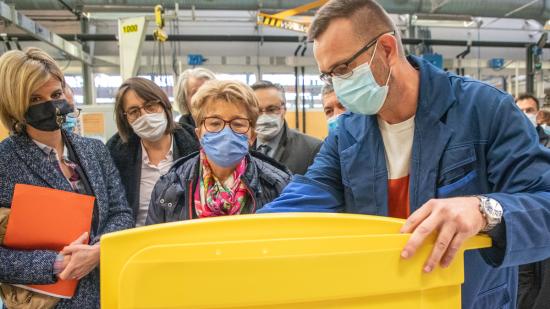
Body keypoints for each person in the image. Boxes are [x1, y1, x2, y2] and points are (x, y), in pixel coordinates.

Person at [257, 1, 550, 308]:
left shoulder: (483, 109)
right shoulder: (347, 134)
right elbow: (301, 201)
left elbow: (543, 202)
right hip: (385, 298)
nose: (339, 85)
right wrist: (237, 238)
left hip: (467, 299)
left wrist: (483, 210)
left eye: (343, 69)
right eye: (329, 75)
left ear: (386, 49)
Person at [0, 48, 133, 308]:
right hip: (47, 298)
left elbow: (120, 212)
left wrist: (98, 251)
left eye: (56, 94)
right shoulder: (5, 161)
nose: (51, 105)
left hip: (104, 292)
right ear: (16, 104)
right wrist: (55, 263)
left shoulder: (93, 150)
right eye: (36, 98)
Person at [146, 80, 291, 224]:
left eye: (238, 123)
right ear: (199, 134)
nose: (226, 132)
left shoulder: (278, 186)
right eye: (214, 123)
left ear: (252, 136)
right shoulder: (170, 185)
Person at [107, 77, 200, 227]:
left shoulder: (195, 144)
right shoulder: (115, 153)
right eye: (134, 111)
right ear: (125, 119)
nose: (144, 115)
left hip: (183, 240)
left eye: (150, 106)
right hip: (135, 240)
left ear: (164, 105)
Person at [251, 80, 322, 175]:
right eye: (257, 111)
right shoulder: (242, 148)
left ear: (284, 110)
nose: (264, 116)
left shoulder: (312, 149)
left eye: (272, 109)